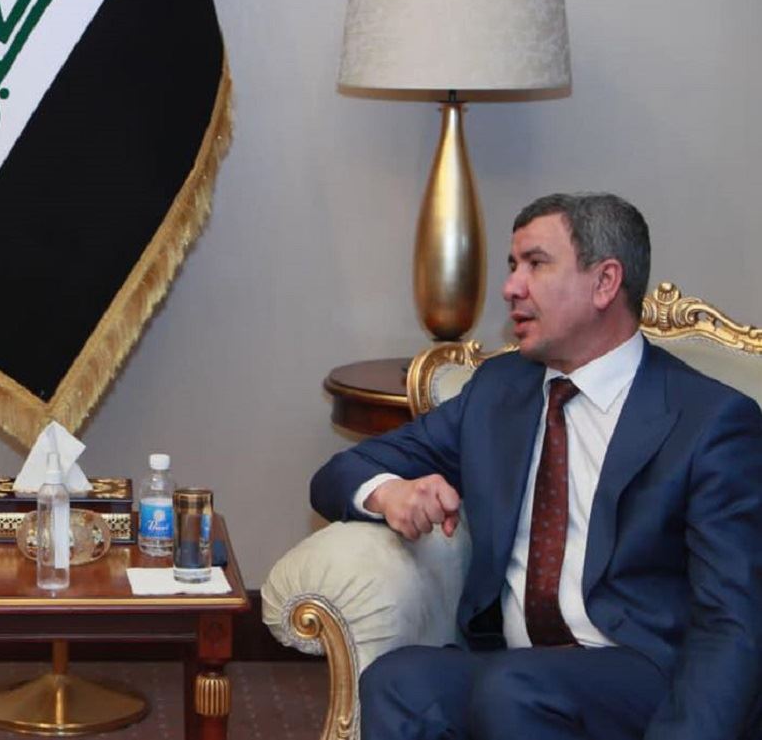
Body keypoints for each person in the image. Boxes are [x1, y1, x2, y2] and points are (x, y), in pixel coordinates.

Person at [310, 192, 762, 739]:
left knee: (515, 687)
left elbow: (732, 622)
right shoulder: (499, 392)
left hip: (646, 674)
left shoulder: (709, 421)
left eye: (536, 264)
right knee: (398, 681)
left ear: (605, 282)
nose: (510, 287)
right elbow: (341, 471)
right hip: (516, 666)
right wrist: (390, 494)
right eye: (512, 265)